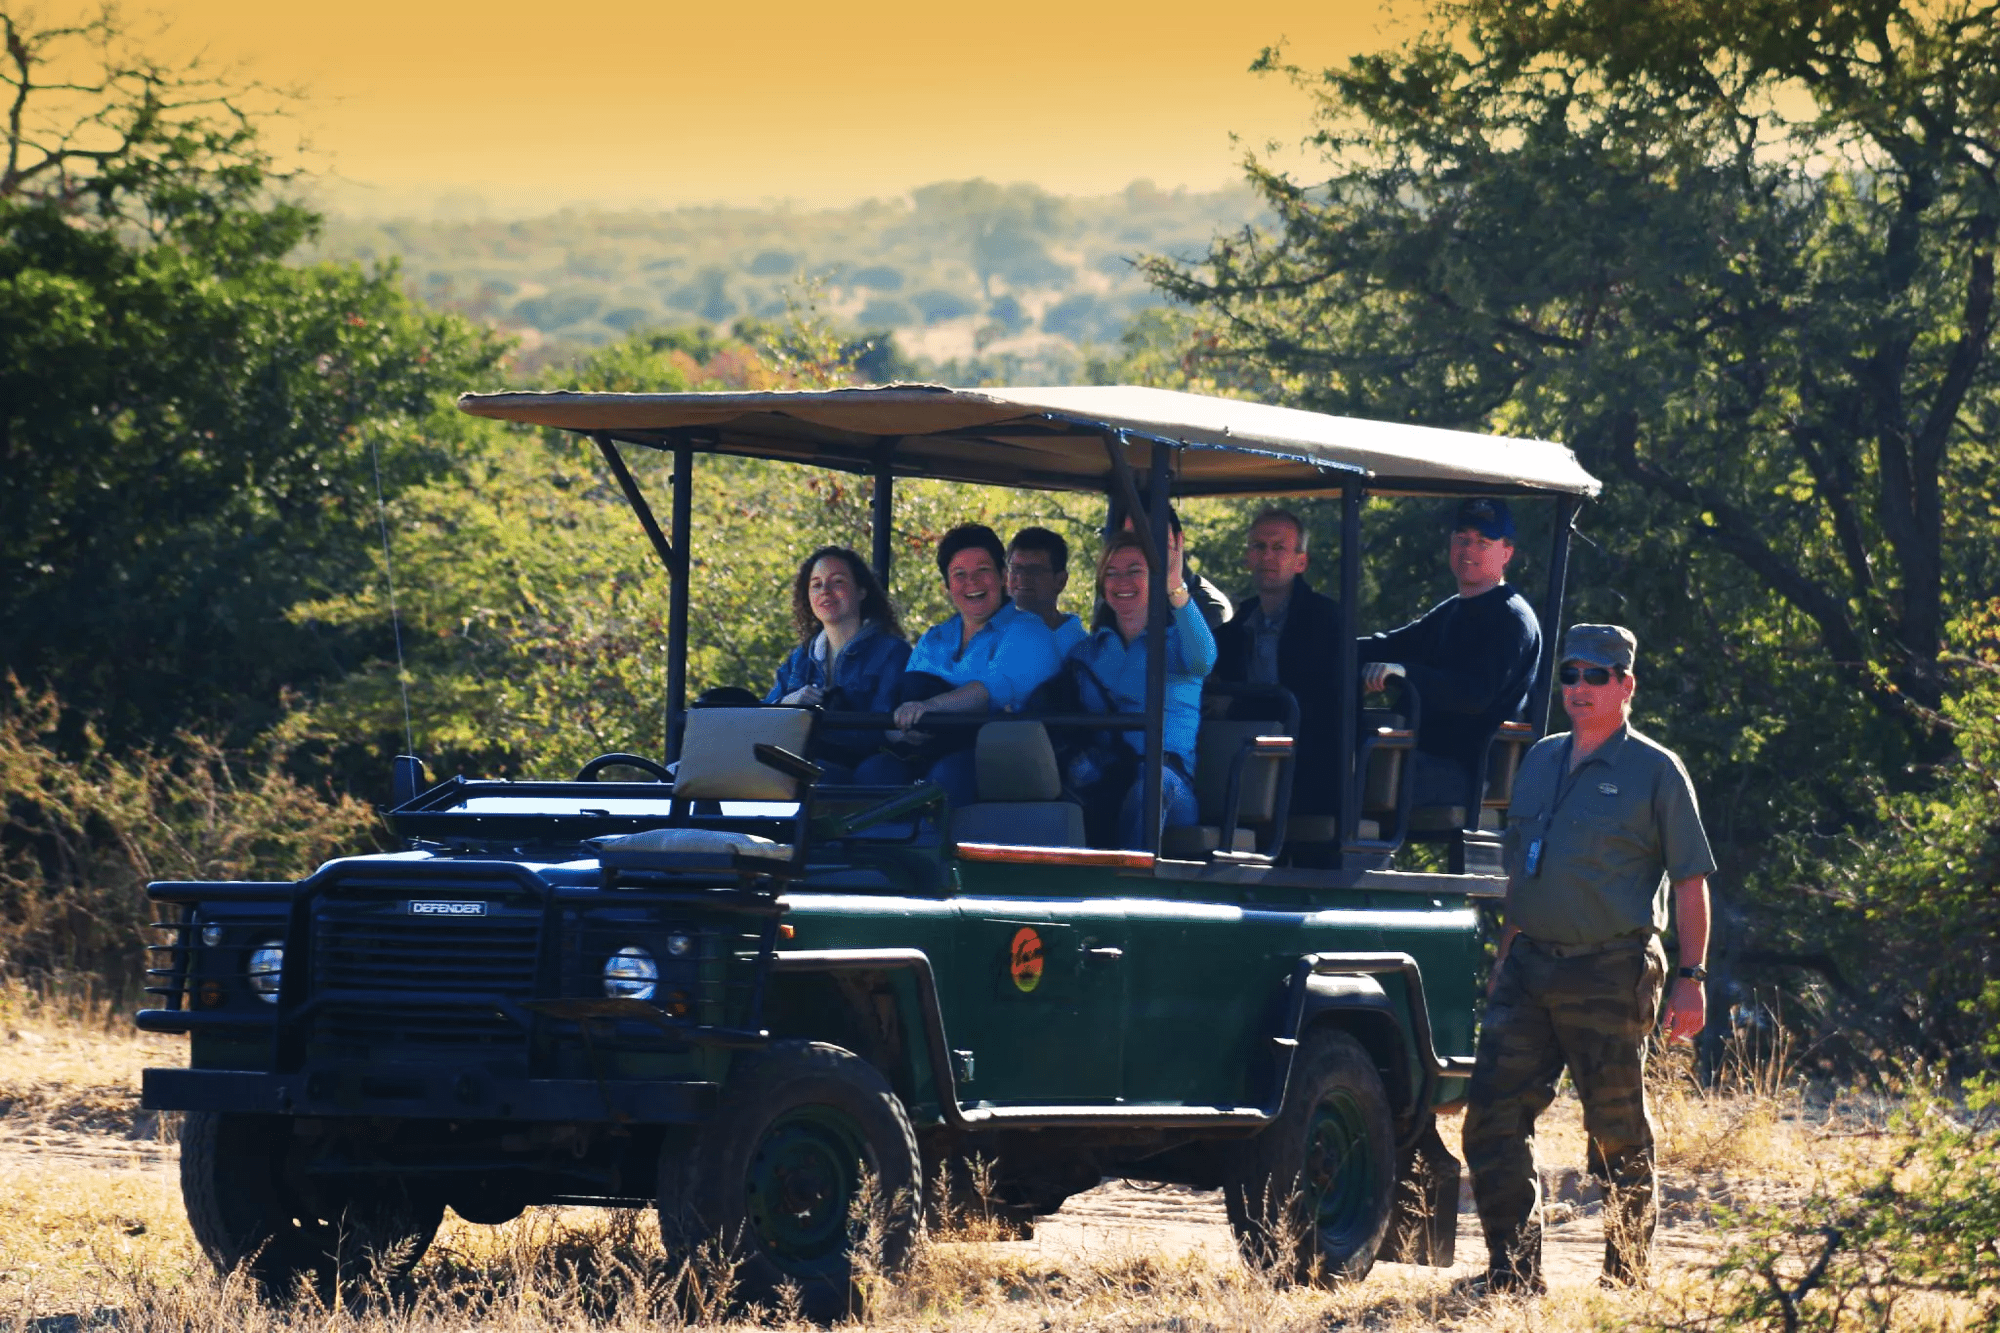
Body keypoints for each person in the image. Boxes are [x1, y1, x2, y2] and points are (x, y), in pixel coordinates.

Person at [1463, 624, 1715, 1294]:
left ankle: (1626, 1277)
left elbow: (1691, 879)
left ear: (1626, 685)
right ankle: (1513, 1275)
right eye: (1569, 674)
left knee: (1616, 1132)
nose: (1578, 687)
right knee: (1490, 1118)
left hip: (1611, 967)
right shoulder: (1541, 758)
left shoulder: (1657, 770)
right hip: (1530, 966)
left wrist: (1692, 978)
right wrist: (1507, 949)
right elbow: (1524, 866)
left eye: (1595, 675)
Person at [1358, 497, 1542, 811]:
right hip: (1421, 756)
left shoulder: (1512, 620)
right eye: (1462, 539)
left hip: (1465, 772)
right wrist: (1329, 644)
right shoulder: (1454, 611)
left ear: (1506, 553)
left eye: (1483, 542)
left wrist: (1404, 674)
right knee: (1329, 750)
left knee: (1348, 770)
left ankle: (1355, 856)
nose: (1469, 550)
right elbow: (1391, 645)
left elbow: (1473, 694)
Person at [1063, 530, 1215, 849]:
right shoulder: (1088, 652)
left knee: (1151, 785)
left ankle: (1130, 886)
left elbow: (1203, 659)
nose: (1122, 582)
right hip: (1106, 773)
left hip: (1169, 786)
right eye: (1112, 574)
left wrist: (1175, 586)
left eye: (1135, 572)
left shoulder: (1176, 644)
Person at [893, 524, 1062, 807]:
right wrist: (903, 727)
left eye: (982, 570)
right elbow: (904, 704)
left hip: (996, 756)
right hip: (923, 750)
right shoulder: (934, 639)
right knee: (875, 772)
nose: (971, 582)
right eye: (959, 574)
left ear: (1003, 577)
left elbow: (989, 692)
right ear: (947, 587)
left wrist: (929, 708)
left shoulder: (1029, 632)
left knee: (945, 780)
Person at [1211, 508, 1343, 816]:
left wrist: (1234, 707)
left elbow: (1314, 702)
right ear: (1247, 557)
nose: (1267, 556)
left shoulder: (1325, 621)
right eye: (1259, 547)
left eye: (1278, 547)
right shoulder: (1237, 627)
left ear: (1301, 562)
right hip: (1242, 764)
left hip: (1307, 769)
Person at [764, 546, 910, 785]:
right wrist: (789, 703)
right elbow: (761, 718)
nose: (825, 591)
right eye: (816, 584)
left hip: (867, 765)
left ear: (862, 591)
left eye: (837, 582)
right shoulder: (800, 658)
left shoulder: (892, 652)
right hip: (811, 762)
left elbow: (884, 728)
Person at [1119, 503, 1232, 631]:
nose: (1140, 552)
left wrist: (1175, 589)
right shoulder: (1118, 597)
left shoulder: (1208, 609)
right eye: (1128, 542)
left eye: (1154, 541)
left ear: (1179, 541)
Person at [1005, 527, 1086, 656]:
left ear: (1060, 581)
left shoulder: (1082, 651)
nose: (1022, 578)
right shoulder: (990, 640)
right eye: (1016, 569)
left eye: (1035, 571)